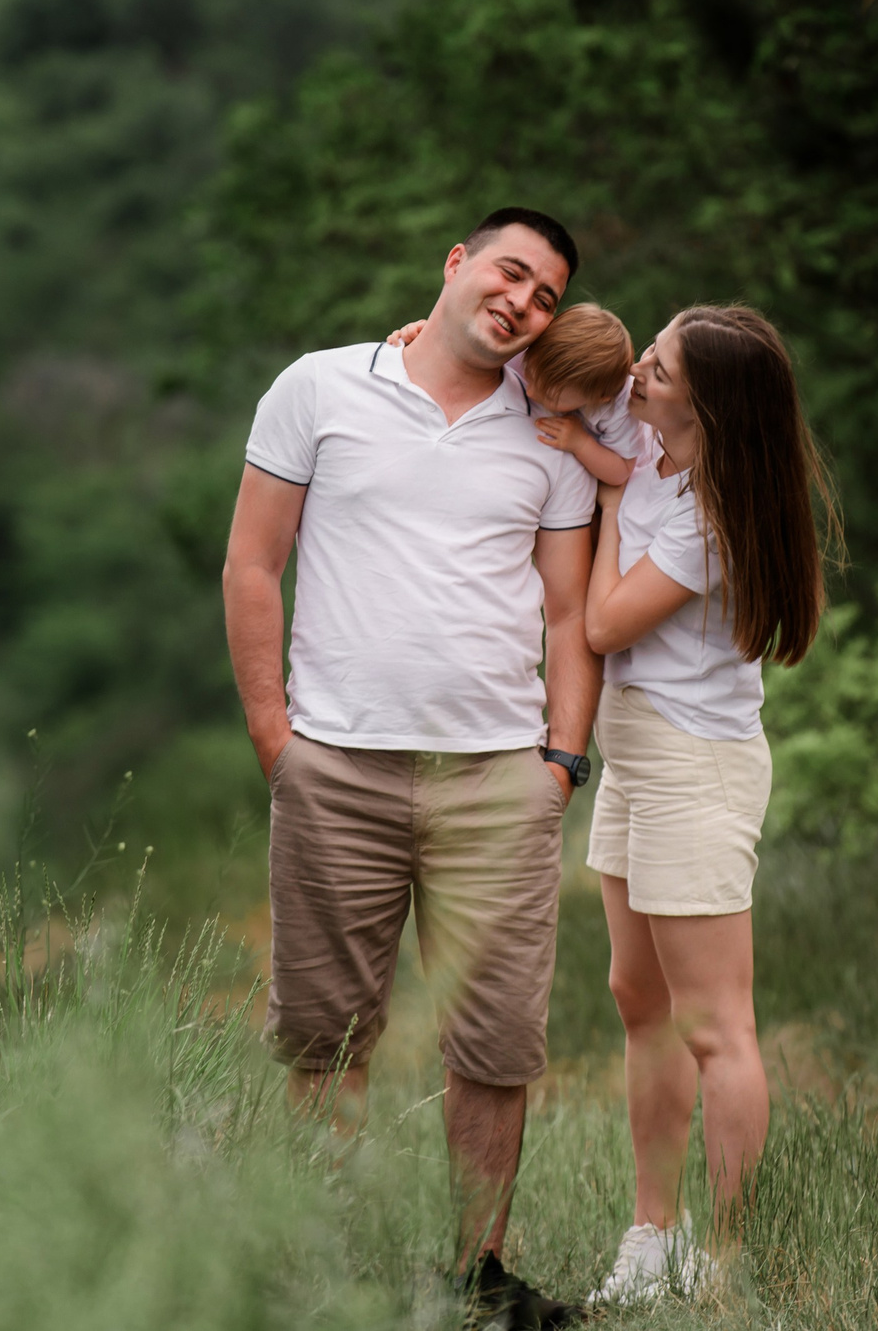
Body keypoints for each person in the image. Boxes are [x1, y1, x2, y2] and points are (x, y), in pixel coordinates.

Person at [222, 207, 603, 1329]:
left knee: (494, 1039)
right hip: (335, 766)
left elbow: (574, 611)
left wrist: (560, 762)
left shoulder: (548, 431)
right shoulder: (318, 387)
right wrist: (275, 741)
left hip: (497, 779)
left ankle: (476, 1277)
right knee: (327, 1030)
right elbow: (253, 562)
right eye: (509, 272)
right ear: (457, 263)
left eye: (544, 296)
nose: (521, 302)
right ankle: (328, 1268)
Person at [578, 304, 835, 1306]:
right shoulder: (653, 440)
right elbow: (551, 391)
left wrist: (602, 511)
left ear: (709, 404)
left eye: (660, 364)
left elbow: (602, 623)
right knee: (637, 1000)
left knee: (713, 1022)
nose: (638, 369)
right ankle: (652, 1234)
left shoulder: (708, 517)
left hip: (695, 764)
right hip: (636, 754)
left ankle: (723, 1265)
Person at [393, 302, 645, 488]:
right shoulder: (527, 354)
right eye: (531, 375)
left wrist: (581, 444)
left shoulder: (620, 406)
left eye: (549, 394)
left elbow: (621, 472)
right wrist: (418, 335)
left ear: (599, 398)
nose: (531, 390)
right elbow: (461, 351)